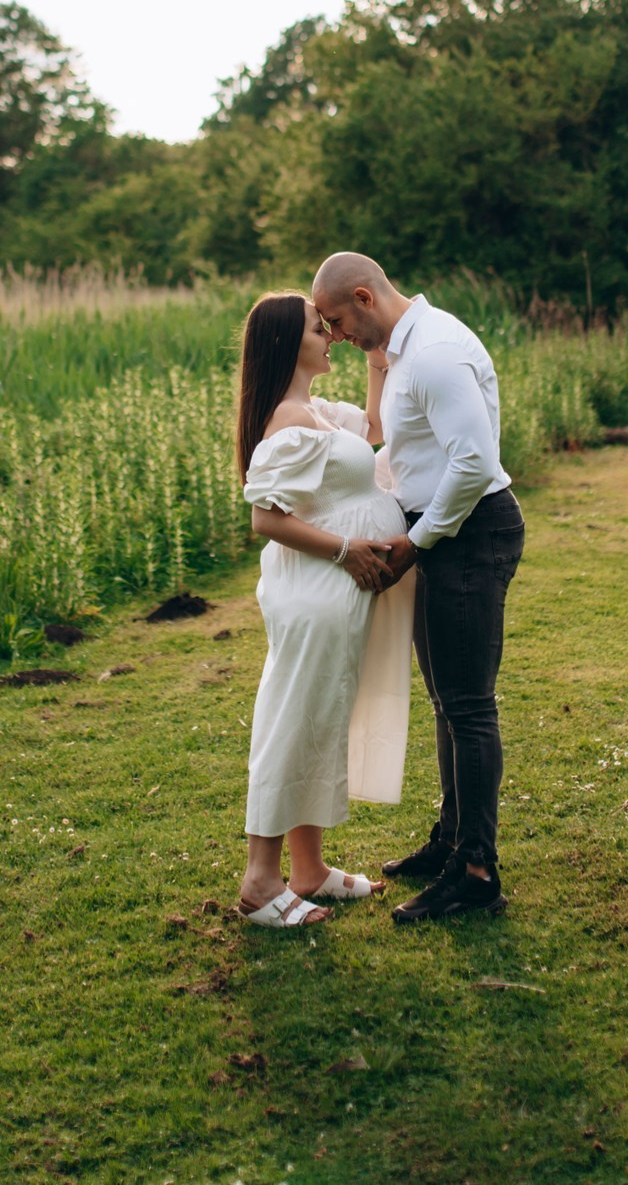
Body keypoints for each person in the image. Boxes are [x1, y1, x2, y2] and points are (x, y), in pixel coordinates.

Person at [311, 251, 521, 925]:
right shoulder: (402, 354)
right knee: (446, 700)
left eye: (338, 321)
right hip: (445, 533)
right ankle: (450, 841)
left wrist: (413, 543)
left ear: (366, 297)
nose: (336, 336)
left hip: (469, 533)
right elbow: (393, 445)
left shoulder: (433, 353)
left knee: (469, 706)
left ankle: (478, 873)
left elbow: (472, 461)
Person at [233, 291, 416, 928]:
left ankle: (308, 869)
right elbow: (266, 518)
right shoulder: (287, 420)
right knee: (294, 718)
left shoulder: (314, 410)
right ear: (291, 343)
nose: (329, 336)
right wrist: (345, 550)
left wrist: (374, 351)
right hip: (314, 592)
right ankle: (261, 880)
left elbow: (375, 431)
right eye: (321, 329)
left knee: (321, 717)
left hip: (336, 596)